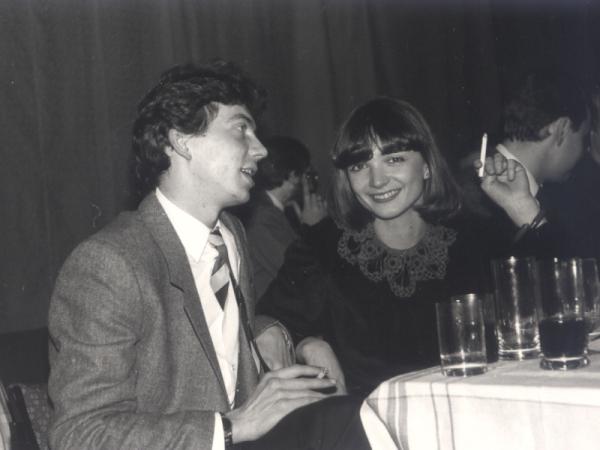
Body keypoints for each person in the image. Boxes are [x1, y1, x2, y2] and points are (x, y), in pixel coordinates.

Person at [47, 61, 369, 450]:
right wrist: (230, 427)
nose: (261, 149)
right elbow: (80, 433)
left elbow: (210, 333)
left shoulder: (230, 235)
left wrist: (288, 336)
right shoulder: (109, 264)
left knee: (363, 418)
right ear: (183, 141)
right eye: (241, 129)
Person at [258, 97, 488, 396]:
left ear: (427, 166)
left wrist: (521, 208)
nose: (377, 180)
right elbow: (267, 322)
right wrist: (309, 346)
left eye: (394, 160)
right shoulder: (323, 247)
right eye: (359, 165)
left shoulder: (471, 240)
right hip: (364, 419)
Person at [469, 70, 591, 258]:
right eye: (583, 138)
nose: (586, 150)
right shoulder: (472, 201)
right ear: (561, 129)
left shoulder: (552, 200)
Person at [245, 136, 327, 299]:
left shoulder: (278, 211)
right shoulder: (263, 217)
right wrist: (312, 229)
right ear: (293, 175)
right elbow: (303, 275)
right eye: (305, 174)